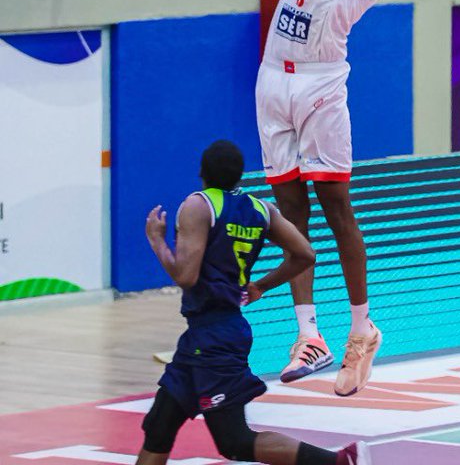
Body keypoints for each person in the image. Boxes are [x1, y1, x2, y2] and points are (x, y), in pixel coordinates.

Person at [255, 0, 428, 395]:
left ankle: (361, 327)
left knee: (335, 207)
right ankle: (309, 334)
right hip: (272, 80)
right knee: (288, 211)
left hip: (322, 84)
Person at [137, 141, 365, 465]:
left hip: (213, 339)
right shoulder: (261, 209)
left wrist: (158, 241)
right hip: (210, 335)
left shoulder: (198, 205)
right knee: (159, 426)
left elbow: (186, 276)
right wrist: (261, 285)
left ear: (202, 172)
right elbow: (305, 254)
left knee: (235, 442)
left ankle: (340, 462)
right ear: (239, 174)